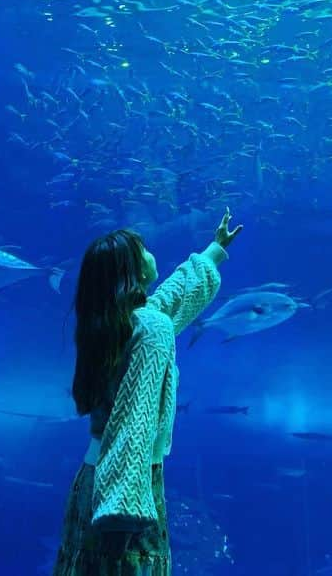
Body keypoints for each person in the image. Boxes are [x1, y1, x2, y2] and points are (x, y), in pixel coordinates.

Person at [53, 208, 243, 576]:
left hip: (93, 477)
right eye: (143, 249)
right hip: (126, 488)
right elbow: (135, 420)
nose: (151, 252)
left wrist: (214, 252)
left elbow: (168, 302)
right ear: (134, 270)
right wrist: (122, 505)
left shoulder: (110, 326)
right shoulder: (151, 329)